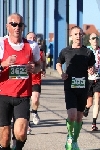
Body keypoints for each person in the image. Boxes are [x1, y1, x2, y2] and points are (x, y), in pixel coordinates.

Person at [0, 13, 41, 150]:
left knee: (21, 133)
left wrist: (34, 68)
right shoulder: (1, 44)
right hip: (3, 96)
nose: (17, 27)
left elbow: (39, 66)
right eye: (14, 24)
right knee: (4, 139)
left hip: (23, 96)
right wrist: (4, 64)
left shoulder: (32, 46)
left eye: (20, 25)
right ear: (7, 26)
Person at [56, 26, 95, 150]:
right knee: (72, 115)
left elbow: (92, 66)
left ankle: (74, 141)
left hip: (83, 87)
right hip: (70, 86)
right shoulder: (65, 51)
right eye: (76, 34)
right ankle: (69, 137)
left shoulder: (88, 52)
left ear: (83, 35)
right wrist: (61, 73)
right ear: (71, 36)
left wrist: (91, 69)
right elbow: (58, 63)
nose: (78, 36)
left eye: (80, 34)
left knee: (79, 117)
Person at [83, 33, 100, 131]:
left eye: (96, 38)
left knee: (97, 100)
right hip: (88, 79)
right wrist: (87, 69)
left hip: (97, 78)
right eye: (93, 38)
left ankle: (94, 123)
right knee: (89, 103)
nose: (95, 40)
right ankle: (86, 108)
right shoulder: (86, 50)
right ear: (89, 41)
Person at [26, 32, 46, 131]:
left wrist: (43, 69)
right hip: (25, 80)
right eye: (30, 37)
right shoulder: (23, 50)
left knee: (35, 99)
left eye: (34, 38)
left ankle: (34, 112)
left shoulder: (40, 51)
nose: (33, 39)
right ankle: (27, 123)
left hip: (36, 79)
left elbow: (43, 61)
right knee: (25, 103)